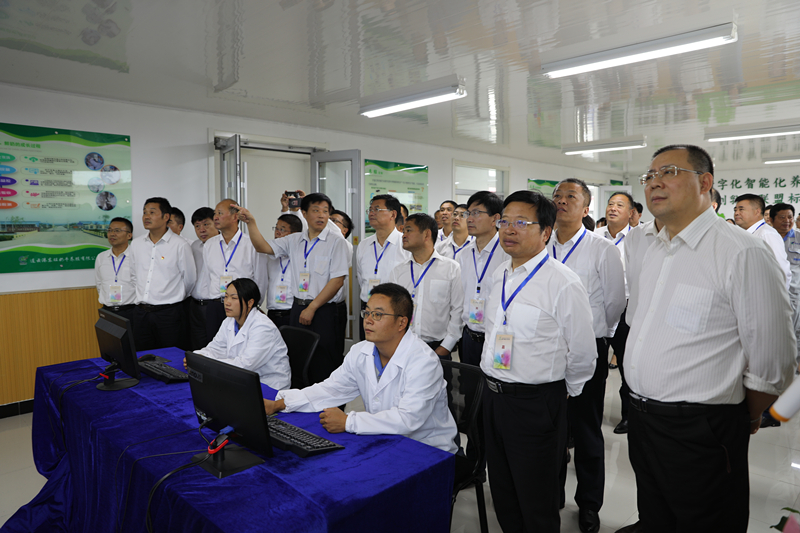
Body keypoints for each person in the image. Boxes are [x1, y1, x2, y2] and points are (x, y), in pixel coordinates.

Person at [624, 144, 796, 532]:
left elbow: (774, 362)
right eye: (649, 176)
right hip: (644, 421)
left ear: (705, 183)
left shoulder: (741, 252)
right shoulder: (654, 249)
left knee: (705, 521)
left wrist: (742, 415)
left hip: (700, 430)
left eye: (668, 172)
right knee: (656, 517)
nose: (654, 183)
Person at [481, 190, 596, 533]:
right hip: (493, 397)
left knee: (536, 499)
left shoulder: (563, 282)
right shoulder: (500, 274)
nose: (509, 229)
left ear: (546, 231)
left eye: (521, 222)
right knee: (503, 490)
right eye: (504, 221)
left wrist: (561, 393)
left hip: (535, 403)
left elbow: (583, 352)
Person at [262, 283, 458, 453]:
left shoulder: (423, 362)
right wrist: (280, 404)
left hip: (426, 448)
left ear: (401, 322)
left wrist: (348, 421)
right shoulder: (361, 352)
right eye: (367, 312)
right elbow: (330, 389)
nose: (368, 320)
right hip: (383, 439)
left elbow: (408, 420)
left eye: (378, 314)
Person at [552, 179, 626, 532]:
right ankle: (552, 494)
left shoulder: (602, 248)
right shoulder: (540, 244)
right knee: (551, 427)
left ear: (586, 208)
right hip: (547, 349)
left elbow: (615, 302)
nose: (561, 201)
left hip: (588, 348)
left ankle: (589, 504)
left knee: (585, 429)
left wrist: (597, 335)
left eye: (571, 196)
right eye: (557, 195)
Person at [236, 193, 350, 385]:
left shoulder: (336, 242)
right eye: (316, 210)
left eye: (325, 211)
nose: (321, 215)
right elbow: (262, 247)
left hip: (324, 310)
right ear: (304, 213)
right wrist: (251, 223)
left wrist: (312, 307)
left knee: (324, 362)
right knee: (298, 361)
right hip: (298, 308)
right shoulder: (294, 240)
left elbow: (337, 281)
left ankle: (325, 403)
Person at [189, 278, 291, 390]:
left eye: (234, 298)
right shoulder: (229, 321)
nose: (227, 302)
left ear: (250, 303)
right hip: (242, 380)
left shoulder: (263, 327)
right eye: (226, 296)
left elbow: (245, 365)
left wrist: (206, 365)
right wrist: (198, 357)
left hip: (268, 385)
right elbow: (216, 348)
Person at [194, 199, 267, 349]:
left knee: (240, 348)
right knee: (215, 349)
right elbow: (209, 277)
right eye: (215, 213)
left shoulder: (251, 244)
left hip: (242, 306)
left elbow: (260, 278)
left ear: (235, 216)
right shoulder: (210, 245)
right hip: (215, 306)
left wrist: (254, 306)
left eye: (220, 213)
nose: (215, 217)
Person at [389, 213, 463, 360]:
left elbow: (458, 310)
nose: (403, 235)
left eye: (408, 230)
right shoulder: (398, 271)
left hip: (438, 348)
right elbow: (391, 311)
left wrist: (445, 347)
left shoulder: (451, 268)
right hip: (403, 346)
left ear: (427, 234)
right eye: (403, 231)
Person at [130, 197, 196, 350]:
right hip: (141, 314)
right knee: (142, 356)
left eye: (152, 212)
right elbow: (133, 275)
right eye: (144, 212)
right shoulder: (136, 244)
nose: (146, 216)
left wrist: (173, 297)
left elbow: (190, 280)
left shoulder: (180, 245)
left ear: (166, 217)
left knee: (171, 357)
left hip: (169, 314)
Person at [356, 195, 410, 341]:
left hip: (393, 312)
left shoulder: (405, 245)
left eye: (377, 209)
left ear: (393, 214)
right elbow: (361, 278)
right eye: (370, 209)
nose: (371, 213)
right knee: (367, 350)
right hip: (367, 310)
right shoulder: (364, 245)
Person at [734, 194, 791, 292]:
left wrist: (777, 297)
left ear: (757, 211)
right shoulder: (746, 234)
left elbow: (782, 270)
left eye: (741, 209)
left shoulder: (766, 234)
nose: (736, 213)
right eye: (735, 210)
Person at [94, 217, 136, 323]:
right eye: (110, 230)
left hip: (131, 311)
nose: (112, 234)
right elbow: (99, 284)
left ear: (129, 235)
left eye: (117, 231)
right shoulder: (101, 257)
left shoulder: (137, 257)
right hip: (107, 311)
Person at [265, 214, 303, 328]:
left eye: (282, 230)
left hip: (292, 312)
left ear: (294, 235)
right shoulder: (270, 256)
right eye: (276, 228)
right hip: (272, 312)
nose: (277, 232)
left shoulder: (300, 256)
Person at [330, 209, 354, 365]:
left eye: (334, 221)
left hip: (335, 308)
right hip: (317, 307)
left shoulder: (345, 245)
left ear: (344, 230)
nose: (329, 223)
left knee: (333, 352)